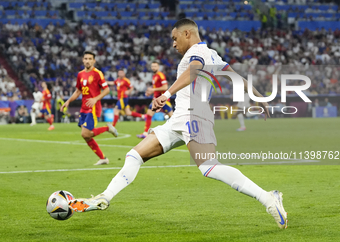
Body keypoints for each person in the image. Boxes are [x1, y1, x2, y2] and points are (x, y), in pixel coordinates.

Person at [69, 19, 287, 229]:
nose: (173, 44)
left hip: (193, 116)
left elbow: (193, 71)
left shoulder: (197, 52)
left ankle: (268, 198)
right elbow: (236, 77)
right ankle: (105, 197)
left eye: (175, 38)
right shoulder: (212, 54)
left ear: (187, 34)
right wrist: (260, 97)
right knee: (134, 155)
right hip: (178, 119)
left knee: (209, 167)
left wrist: (166, 94)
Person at [60, 51, 118, 165]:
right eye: (85, 58)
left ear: (94, 60)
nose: (87, 61)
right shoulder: (80, 74)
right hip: (83, 108)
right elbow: (78, 91)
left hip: (94, 108)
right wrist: (68, 101)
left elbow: (107, 90)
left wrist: (96, 99)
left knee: (85, 134)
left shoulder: (97, 73)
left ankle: (108, 128)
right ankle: (103, 158)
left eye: (90, 59)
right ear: (83, 60)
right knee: (87, 137)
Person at [137, 61, 173, 138]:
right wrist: (150, 92)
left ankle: (181, 130)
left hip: (163, 99)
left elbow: (165, 87)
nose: (153, 68)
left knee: (172, 116)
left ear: (158, 67)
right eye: (152, 66)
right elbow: (156, 88)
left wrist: (153, 90)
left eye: (155, 66)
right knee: (149, 114)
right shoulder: (154, 76)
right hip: (155, 99)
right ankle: (145, 133)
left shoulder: (160, 75)